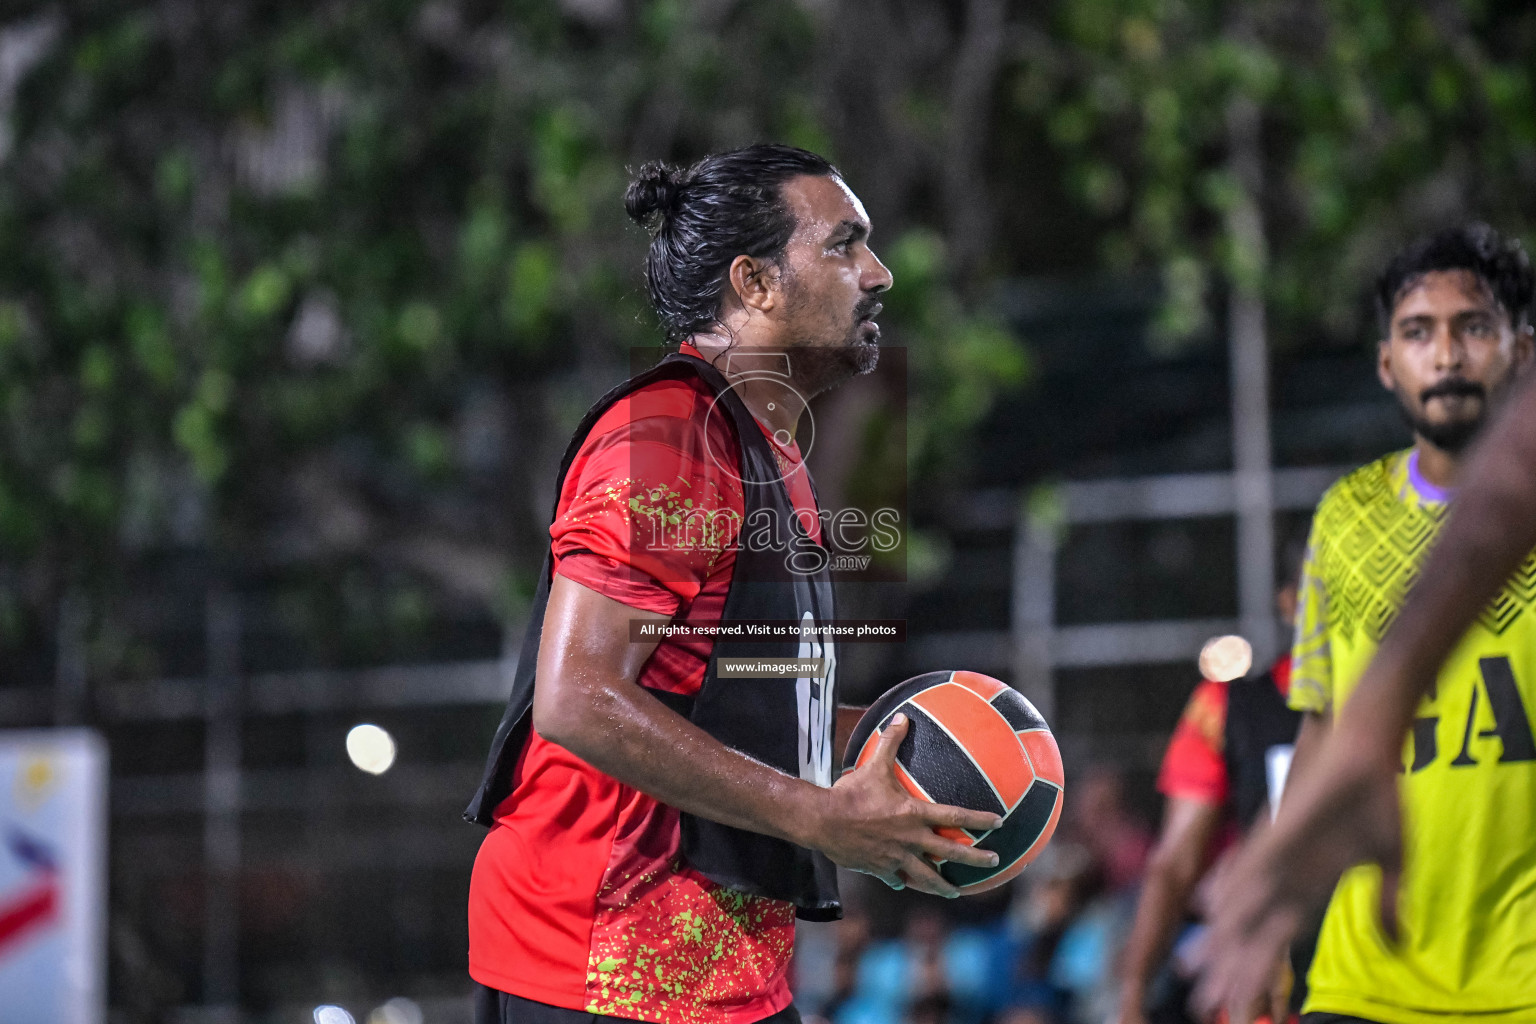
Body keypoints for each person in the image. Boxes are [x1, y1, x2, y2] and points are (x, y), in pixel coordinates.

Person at [462, 144, 1003, 1024]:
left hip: (718, 968)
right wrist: (818, 817)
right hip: (601, 962)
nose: (879, 272)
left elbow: (733, 706)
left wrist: (909, 745)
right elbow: (575, 697)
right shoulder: (671, 435)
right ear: (754, 282)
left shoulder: (767, 450)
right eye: (843, 245)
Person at [1203, 223, 1536, 1024]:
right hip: (1362, 982)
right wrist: (1279, 896)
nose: (1447, 354)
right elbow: (1320, 728)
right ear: (1388, 363)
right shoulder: (1344, 518)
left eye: (1474, 327)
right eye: (1420, 333)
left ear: (1522, 351)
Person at [1115, 554, 1310, 1024]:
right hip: (1278, 983)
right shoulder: (1230, 706)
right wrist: (1134, 995)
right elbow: (1175, 864)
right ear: (1289, 603)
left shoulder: (1415, 693)